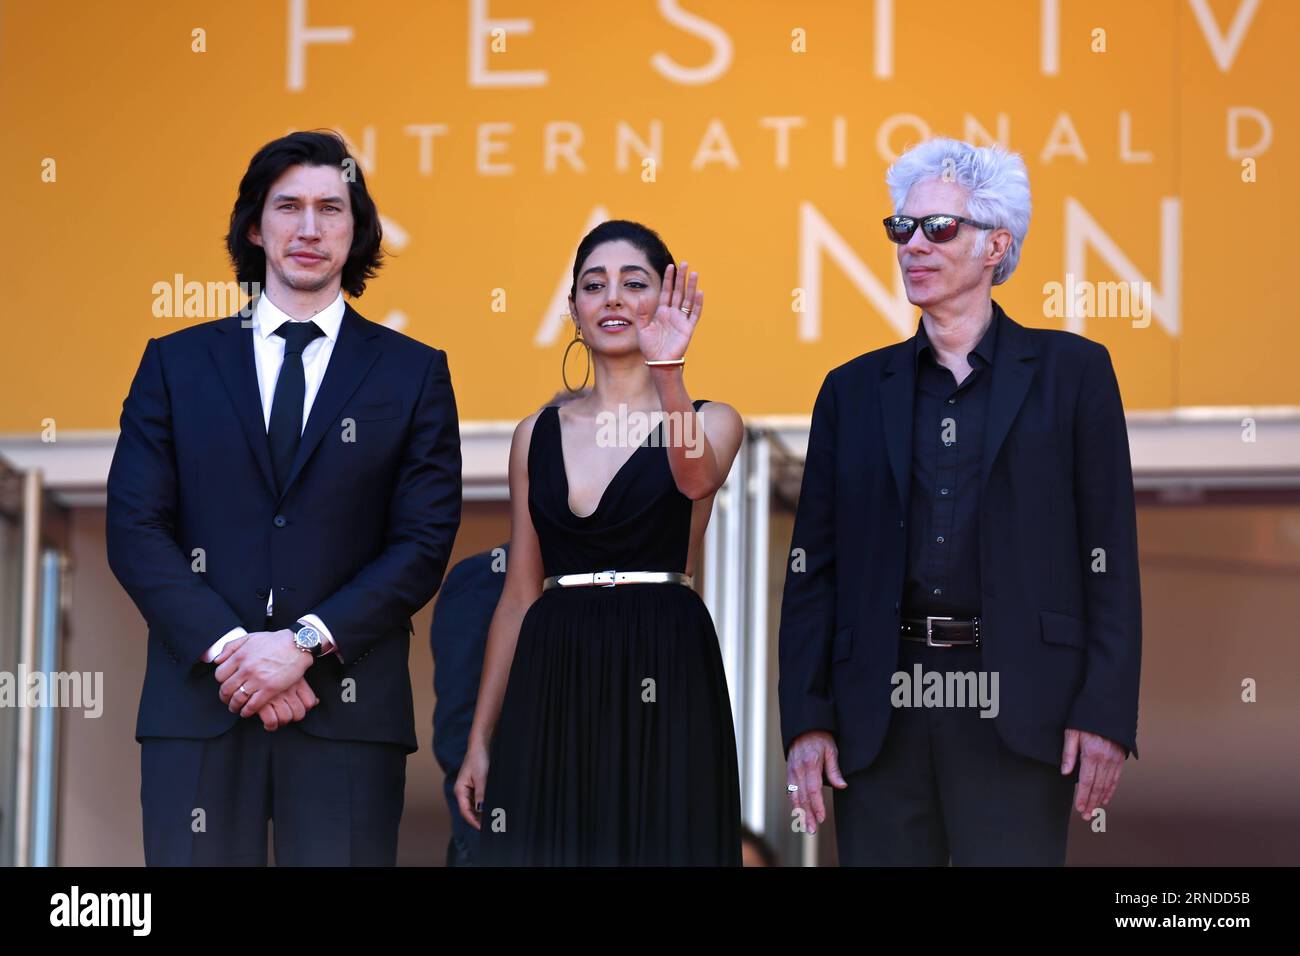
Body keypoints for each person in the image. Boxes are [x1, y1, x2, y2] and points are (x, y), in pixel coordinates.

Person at [779, 138, 1142, 865]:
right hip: (878, 711)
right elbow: (811, 571)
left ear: (995, 246)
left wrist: (1104, 710)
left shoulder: (1075, 374)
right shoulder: (850, 391)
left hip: (1020, 703)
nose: (913, 244)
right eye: (901, 228)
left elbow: (1110, 560)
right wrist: (806, 719)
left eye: (938, 228)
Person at [106, 130, 462, 866]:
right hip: (199, 707)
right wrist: (237, 652)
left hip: (348, 712)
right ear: (253, 225)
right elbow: (135, 529)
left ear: (359, 230)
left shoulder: (413, 374)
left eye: (332, 208)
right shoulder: (175, 364)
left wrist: (302, 645)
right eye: (288, 206)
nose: (309, 228)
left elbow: (422, 543)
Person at [456, 220, 745, 865]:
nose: (612, 297)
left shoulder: (712, 419)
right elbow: (519, 592)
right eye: (594, 286)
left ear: (666, 302)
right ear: (574, 311)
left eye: (634, 283)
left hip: (664, 662)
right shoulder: (535, 433)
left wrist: (669, 368)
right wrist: (481, 737)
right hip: (553, 671)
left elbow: (692, 477)